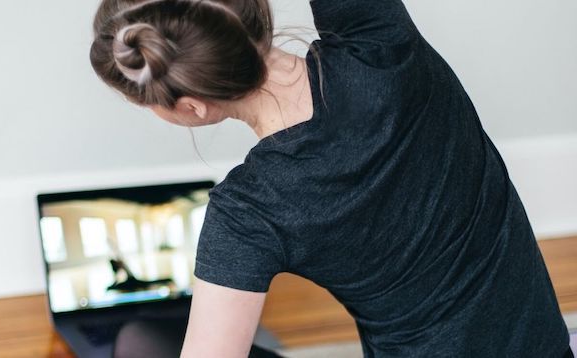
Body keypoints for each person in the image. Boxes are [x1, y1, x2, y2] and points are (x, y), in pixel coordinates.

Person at [89, 0, 573, 357]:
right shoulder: (381, 37)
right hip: (544, 343)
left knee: (140, 343)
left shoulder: (247, 212)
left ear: (192, 107)